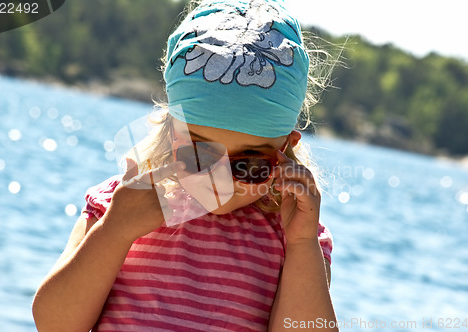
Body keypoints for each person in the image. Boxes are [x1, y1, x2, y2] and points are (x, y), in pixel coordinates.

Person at [32, 0, 339, 330]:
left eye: (249, 165)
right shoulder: (119, 204)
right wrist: (114, 231)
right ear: (170, 131)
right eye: (201, 156)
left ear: (285, 149)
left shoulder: (293, 235)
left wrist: (302, 245)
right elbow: (55, 324)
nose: (220, 181)